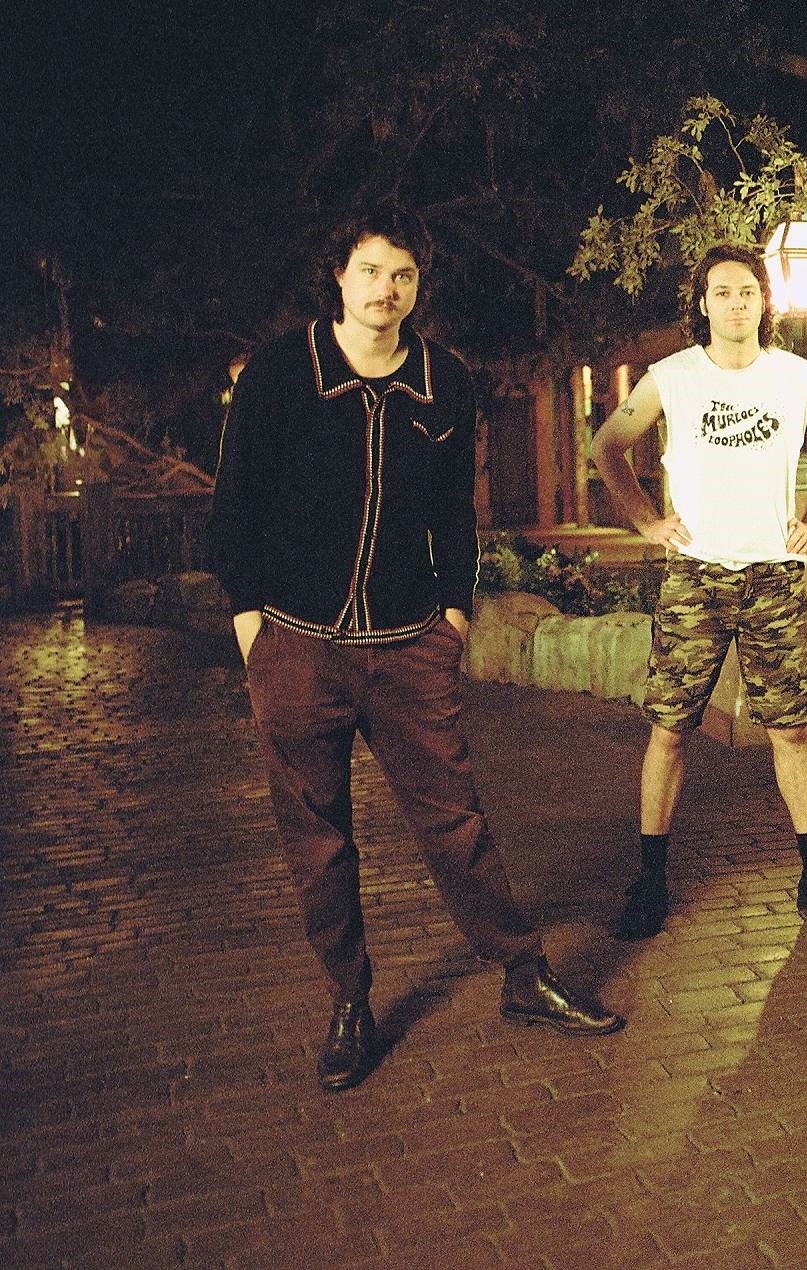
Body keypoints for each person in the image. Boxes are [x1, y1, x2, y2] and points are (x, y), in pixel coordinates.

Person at [211, 206, 623, 1093]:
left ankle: (524, 974)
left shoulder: (445, 381)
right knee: (317, 837)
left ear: (417, 285)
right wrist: (253, 631)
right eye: (370, 271)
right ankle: (349, 1001)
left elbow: (453, 511)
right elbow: (234, 504)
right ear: (340, 277)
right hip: (298, 644)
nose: (386, 290)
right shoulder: (283, 372)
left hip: (408, 646)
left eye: (402, 275)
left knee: (455, 822)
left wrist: (455, 616)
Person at [591, 242, 807, 938]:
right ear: (703, 304)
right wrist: (646, 520)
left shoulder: (797, 377)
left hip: (773, 575)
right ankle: (650, 879)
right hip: (696, 575)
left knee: (791, 730)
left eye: (747, 291)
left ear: (764, 301)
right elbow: (607, 446)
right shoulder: (672, 377)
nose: (737, 303)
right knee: (669, 729)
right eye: (723, 292)